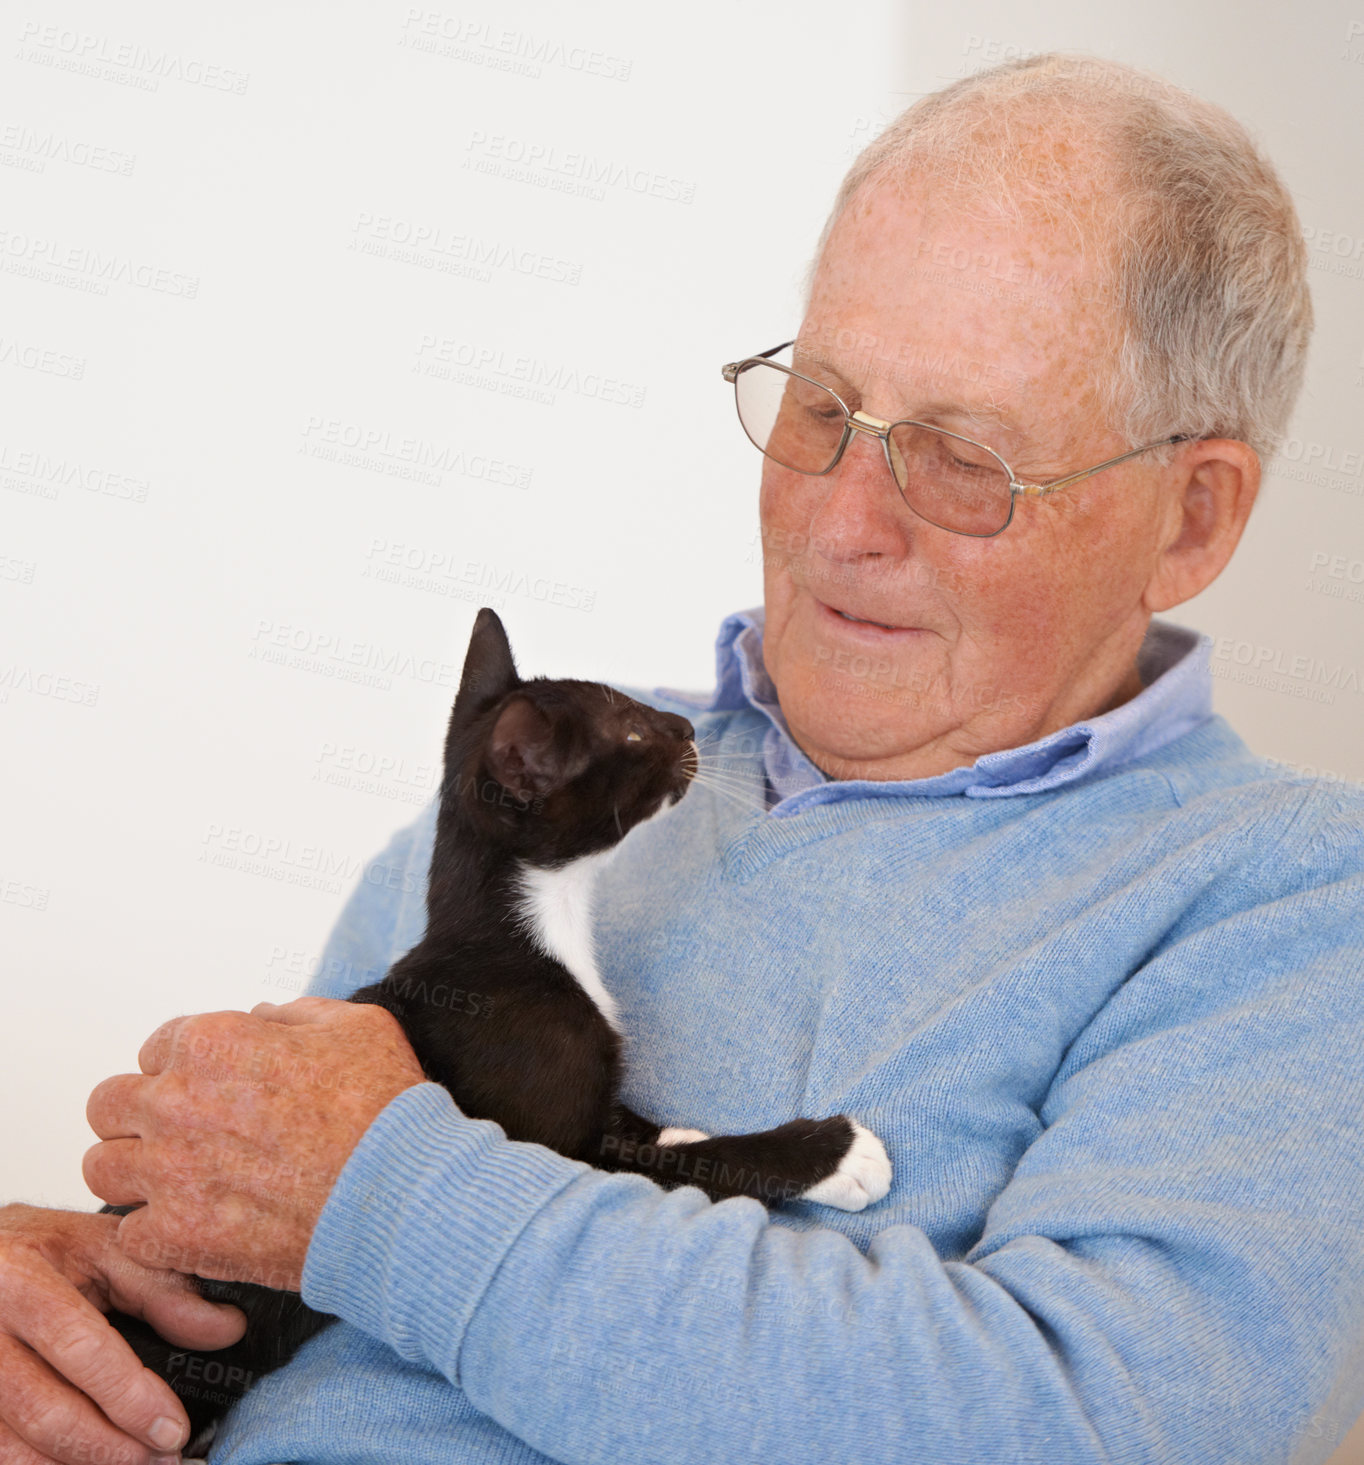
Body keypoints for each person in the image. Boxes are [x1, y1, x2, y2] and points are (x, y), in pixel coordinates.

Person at [4, 50, 1362, 1465]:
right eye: (824, 407)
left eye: (962, 458)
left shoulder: (1291, 899)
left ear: (1191, 519)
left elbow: (1083, 1420)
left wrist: (390, 1197)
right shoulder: (553, 778)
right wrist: (66, 1310)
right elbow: (257, 1254)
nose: (841, 522)